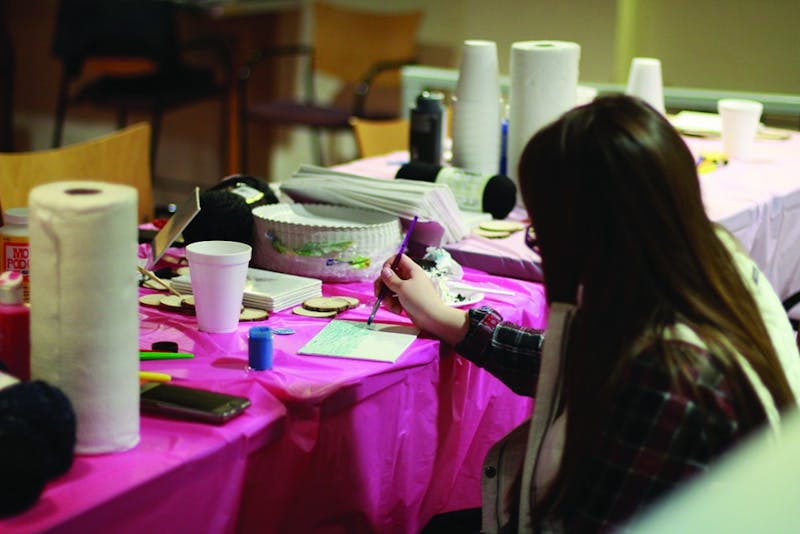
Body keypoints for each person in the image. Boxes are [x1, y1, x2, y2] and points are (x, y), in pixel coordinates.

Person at [374, 95, 800, 533]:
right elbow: (579, 361)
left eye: (543, 234)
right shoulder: (715, 271)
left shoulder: (665, 381)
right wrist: (450, 320)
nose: (543, 249)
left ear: (593, 238)